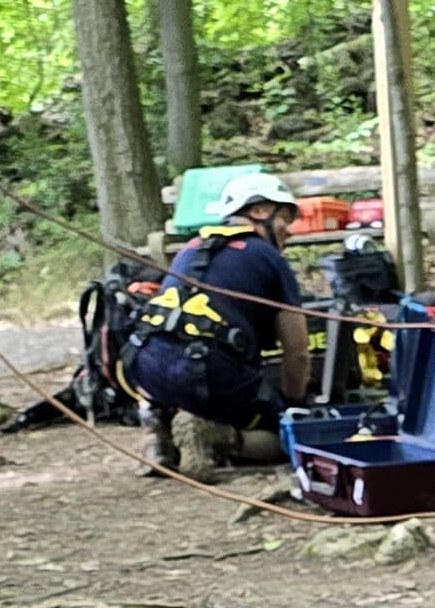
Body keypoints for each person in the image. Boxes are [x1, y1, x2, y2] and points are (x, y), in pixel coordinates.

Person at [122, 173, 310, 472]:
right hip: (209, 370)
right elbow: (297, 351)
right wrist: (294, 405)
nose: (289, 231)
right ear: (259, 211)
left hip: (144, 365)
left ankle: (158, 435)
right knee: (289, 439)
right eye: (285, 218)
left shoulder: (191, 248)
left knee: (180, 370)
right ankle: (216, 436)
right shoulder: (270, 258)